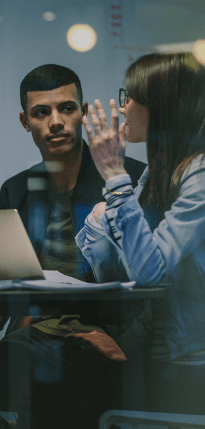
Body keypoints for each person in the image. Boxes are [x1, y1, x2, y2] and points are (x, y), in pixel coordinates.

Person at [0, 64, 147, 429]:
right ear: (25, 121)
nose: (56, 121)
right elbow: (5, 282)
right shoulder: (15, 190)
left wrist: (128, 341)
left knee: (41, 372)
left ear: (85, 112)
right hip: (37, 334)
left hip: (104, 333)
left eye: (67, 108)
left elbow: (160, 275)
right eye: (41, 112)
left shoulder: (128, 178)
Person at [78, 52, 205, 415]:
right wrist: (103, 215)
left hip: (194, 361)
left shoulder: (199, 174)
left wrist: (115, 177)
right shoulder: (156, 173)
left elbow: (149, 271)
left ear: (159, 107)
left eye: (130, 97)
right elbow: (112, 272)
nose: (123, 107)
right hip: (160, 350)